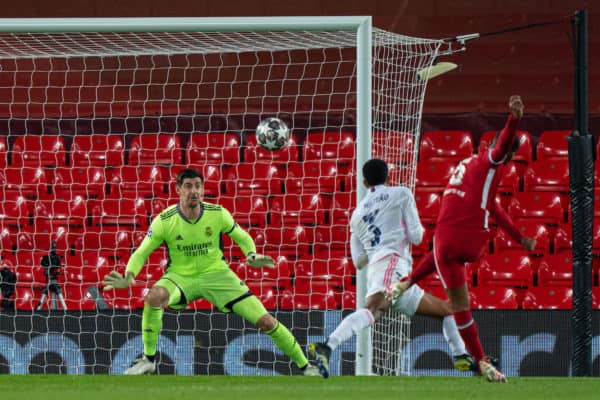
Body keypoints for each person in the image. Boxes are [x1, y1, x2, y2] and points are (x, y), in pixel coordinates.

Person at [103, 168, 321, 376]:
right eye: (188, 186)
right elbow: (142, 252)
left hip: (218, 275)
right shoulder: (165, 220)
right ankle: (148, 360)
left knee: (266, 321)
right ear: (178, 189)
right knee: (155, 296)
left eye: (198, 186)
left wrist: (251, 254)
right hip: (181, 276)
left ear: (203, 189)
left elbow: (242, 236)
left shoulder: (217, 214)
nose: (194, 191)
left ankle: (306, 366)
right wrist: (129, 276)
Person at [389, 95, 537, 383]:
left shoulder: (472, 165)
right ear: (503, 152)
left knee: (448, 273)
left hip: (448, 239)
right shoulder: (491, 162)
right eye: (507, 152)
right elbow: (504, 146)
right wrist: (514, 119)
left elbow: (495, 207)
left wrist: (520, 238)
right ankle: (481, 362)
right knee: (458, 301)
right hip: (465, 239)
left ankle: (407, 281)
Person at [308, 158, 476, 378]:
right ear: (388, 177)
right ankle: (328, 345)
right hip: (394, 265)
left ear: (365, 182)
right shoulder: (401, 194)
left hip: (382, 270)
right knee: (374, 309)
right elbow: (416, 237)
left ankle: (460, 356)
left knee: (448, 311)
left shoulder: (356, 215)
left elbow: (359, 260)